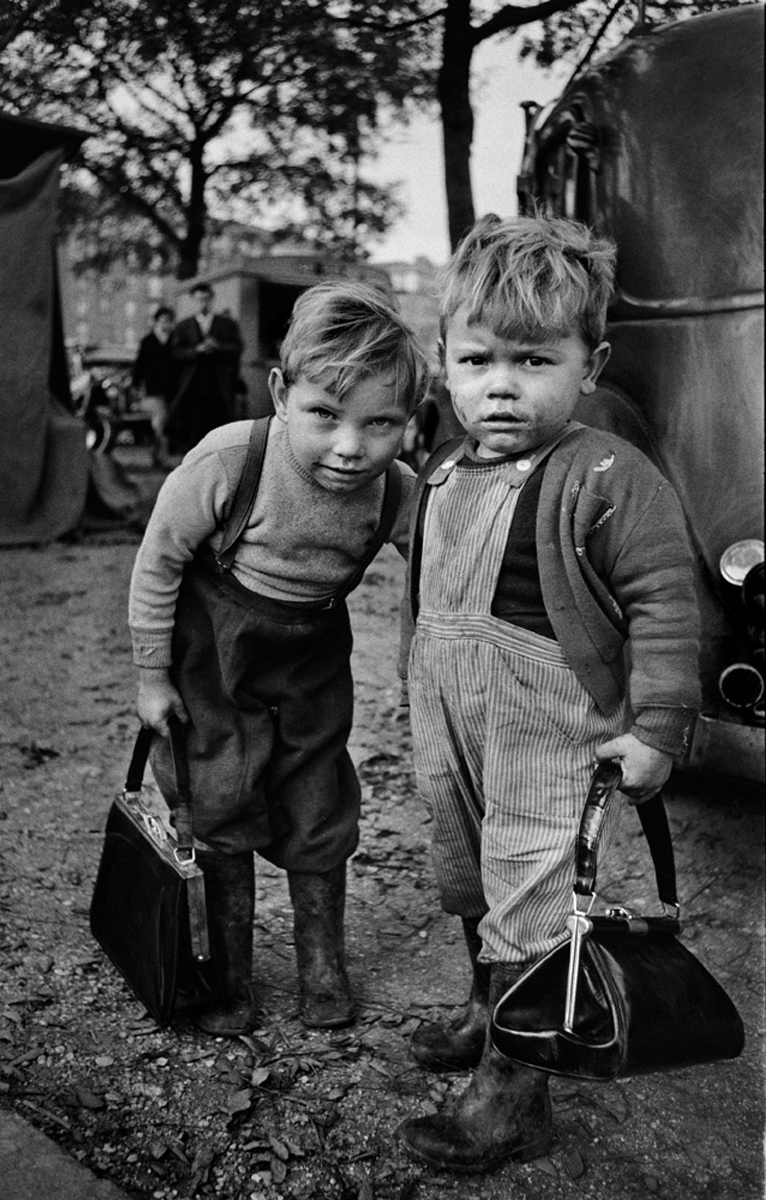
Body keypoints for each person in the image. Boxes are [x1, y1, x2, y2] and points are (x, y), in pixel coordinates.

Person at [396, 214, 700, 1172]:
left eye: (534, 360)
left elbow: (662, 603)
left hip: (551, 732)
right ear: (444, 359)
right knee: (466, 873)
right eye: (478, 359)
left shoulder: (610, 475)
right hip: (450, 719)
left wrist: (657, 727)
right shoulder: (441, 470)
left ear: (591, 362)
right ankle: (493, 1012)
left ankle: (514, 1094)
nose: (501, 384)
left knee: (531, 891)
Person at [128, 280, 428, 1038]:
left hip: (311, 661)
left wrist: (423, 654)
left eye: (380, 423)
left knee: (318, 800)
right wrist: (151, 675)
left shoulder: (395, 493)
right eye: (325, 414)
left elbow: (445, 564)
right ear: (280, 392)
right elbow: (159, 560)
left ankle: (320, 961)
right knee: (219, 799)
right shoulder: (232, 459)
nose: (350, 446)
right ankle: (230, 977)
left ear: (409, 423)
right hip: (213, 663)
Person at [166, 282, 244, 455]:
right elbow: (176, 353)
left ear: (212, 300)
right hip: (192, 387)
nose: (203, 303)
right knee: (194, 428)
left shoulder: (227, 324)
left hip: (219, 386)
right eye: (199, 300)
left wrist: (218, 346)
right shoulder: (183, 326)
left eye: (206, 299)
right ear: (193, 301)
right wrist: (196, 350)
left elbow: (237, 348)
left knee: (220, 427)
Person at [131, 306, 177, 466]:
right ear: (156, 322)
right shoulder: (148, 341)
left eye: (169, 321)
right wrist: (135, 385)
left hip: (172, 389)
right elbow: (139, 365)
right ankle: (161, 455)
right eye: (163, 321)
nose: (166, 324)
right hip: (153, 389)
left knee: (163, 422)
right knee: (159, 421)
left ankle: (157, 454)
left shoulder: (175, 340)